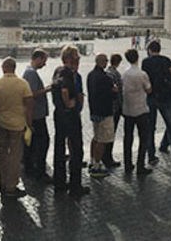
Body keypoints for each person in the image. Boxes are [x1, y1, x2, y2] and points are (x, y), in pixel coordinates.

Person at [0, 57, 33, 198]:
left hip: (1, 122)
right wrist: (29, 124)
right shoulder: (23, 84)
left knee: (2, 154)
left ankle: (2, 182)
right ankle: (11, 186)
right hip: (17, 124)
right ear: (14, 68)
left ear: (3, 68)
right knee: (15, 155)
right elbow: (29, 105)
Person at [52, 45, 90, 197]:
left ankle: (59, 183)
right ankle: (75, 186)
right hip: (70, 115)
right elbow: (65, 90)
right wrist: (70, 103)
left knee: (59, 148)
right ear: (70, 59)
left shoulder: (57, 71)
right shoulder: (69, 73)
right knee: (76, 149)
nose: (78, 60)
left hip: (59, 114)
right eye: (76, 57)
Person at [142, 41, 171, 161]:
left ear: (150, 50)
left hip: (151, 96)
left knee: (150, 127)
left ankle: (151, 155)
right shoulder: (166, 60)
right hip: (165, 97)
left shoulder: (145, 62)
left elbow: (145, 79)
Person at [22, 49, 52, 182]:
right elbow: (31, 94)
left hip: (33, 114)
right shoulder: (31, 74)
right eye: (44, 61)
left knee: (31, 143)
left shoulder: (29, 72)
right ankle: (39, 171)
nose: (44, 64)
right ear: (38, 59)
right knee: (43, 141)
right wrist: (48, 89)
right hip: (35, 115)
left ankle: (30, 168)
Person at [121, 49, 152, 175]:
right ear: (137, 57)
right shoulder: (142, 74)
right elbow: (149, 90)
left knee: (128, 138)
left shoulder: (124, 73)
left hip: (127, 109)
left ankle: (128, 164)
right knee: (143, 138)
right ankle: (140, 165)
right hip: (141, 109)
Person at [87, 53, 117, 178]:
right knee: (102, 140)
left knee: (96, 137)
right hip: (105, 112)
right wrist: (114, 91)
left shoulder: (90, 75)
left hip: (94, 110)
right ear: (103, 62)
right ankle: (97, 166)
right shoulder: (105, 78)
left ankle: (93, 160)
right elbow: (112, 95)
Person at [102, 53, 123, 169]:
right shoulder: (116, 74)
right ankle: (107, 157)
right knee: (110, 134)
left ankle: (104, 156)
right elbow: (119, 92)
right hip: (115, 108)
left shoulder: (108, 72)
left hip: (109, 106)